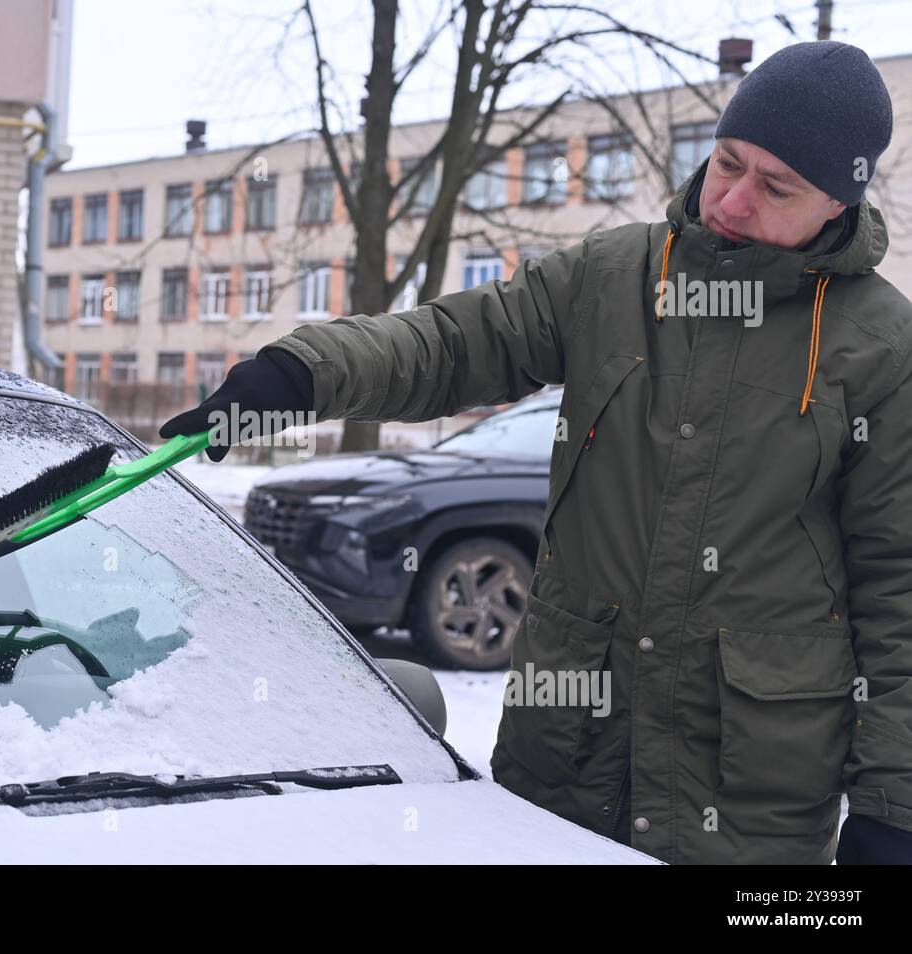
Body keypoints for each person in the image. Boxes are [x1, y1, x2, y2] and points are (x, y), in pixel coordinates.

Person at [161, 41, 912, 864]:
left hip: (747, 809)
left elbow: (899, 590)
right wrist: (301, 375)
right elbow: (451, 344)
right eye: (727, 162)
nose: (732, 200)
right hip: (560, 768)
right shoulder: (614, 276)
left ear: (841, 202)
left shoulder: (880, 348)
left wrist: (892, 805)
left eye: (776, 187)